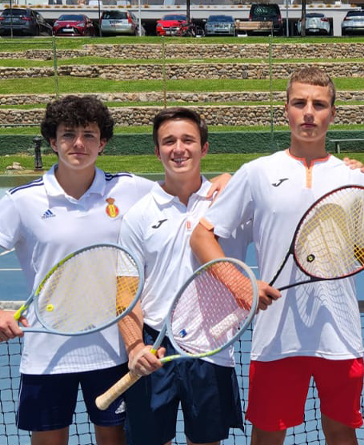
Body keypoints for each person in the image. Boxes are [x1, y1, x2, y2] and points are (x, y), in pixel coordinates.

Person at [190, 67, 364, 445]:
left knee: (341, 434)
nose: (309, 112)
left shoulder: (354, 179)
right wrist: (241, 284)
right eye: (300, 103)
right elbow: (202, 234)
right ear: (287, 111)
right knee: (267, 436)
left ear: (333, 113)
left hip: (338, 336)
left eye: (319, 104)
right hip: (274, 340)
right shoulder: (257, 172)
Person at [0, 96, 157, 445]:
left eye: (89, 135)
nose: (79, 143)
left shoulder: (131, 189)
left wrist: (223, 180)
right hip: (46, 355)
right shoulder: (22, 201)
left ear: (103, 143)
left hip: (113, 351)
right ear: (52, 141)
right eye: (68, 134)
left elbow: (187, 193)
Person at [115, 107, 249, 445]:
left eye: (188, 140)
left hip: (211, 349)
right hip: (155, 348)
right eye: (169, 141)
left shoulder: (228, 202)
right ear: (156, 151)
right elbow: (126, 293)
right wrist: (134, 348)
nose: (179, 148)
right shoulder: (138, 216)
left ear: (204, 148)